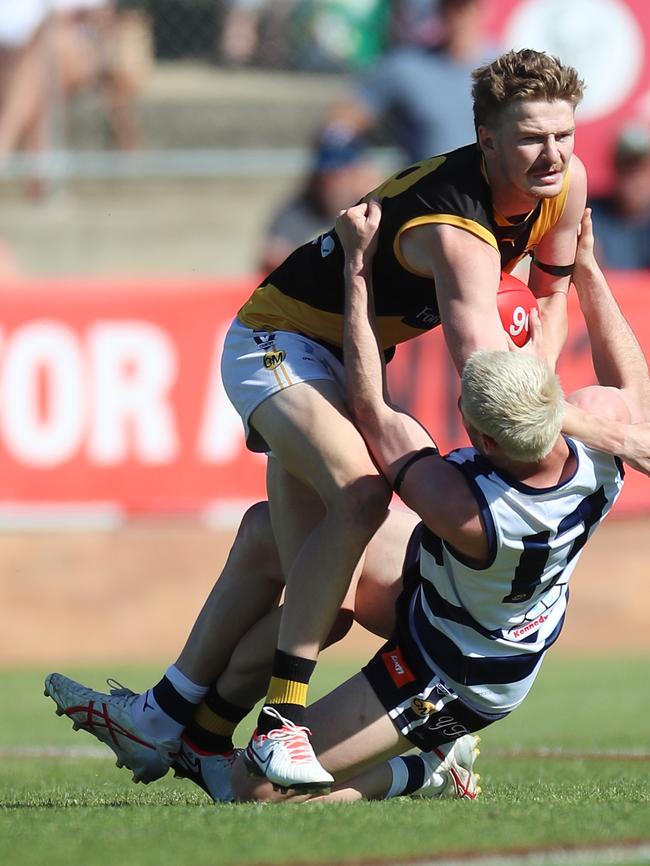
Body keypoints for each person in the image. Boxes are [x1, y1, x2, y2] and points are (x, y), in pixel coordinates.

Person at [44, 203, 650, 805]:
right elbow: (634, 393)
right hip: (453, 594)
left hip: (456, 671)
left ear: (487, 441)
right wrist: (588, 270)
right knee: (280, 539)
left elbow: (372, 408)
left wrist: (357, 272)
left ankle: (431, 770)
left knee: (254, 790)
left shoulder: (463, 507)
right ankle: (170, 717)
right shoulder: (597, 447)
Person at [323, 0, 495, 163]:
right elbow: (345, 120)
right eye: (451, 8)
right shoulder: (407, 66)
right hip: (431, 187)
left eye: (465, 8)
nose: (460, 17)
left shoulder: (501, 67)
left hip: (497, 186)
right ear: (439, 12)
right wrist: (345, 159)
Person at [258, 127, 382, 274]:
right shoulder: (301, 208)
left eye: (340, 173)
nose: (332, 182)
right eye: (326, 173)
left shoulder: (373, 206)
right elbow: (271, 259)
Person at [587, 122, 650, 270]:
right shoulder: (590, 215)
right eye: (626, 164)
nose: (633, 175)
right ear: (615, 167)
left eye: (640, 167)